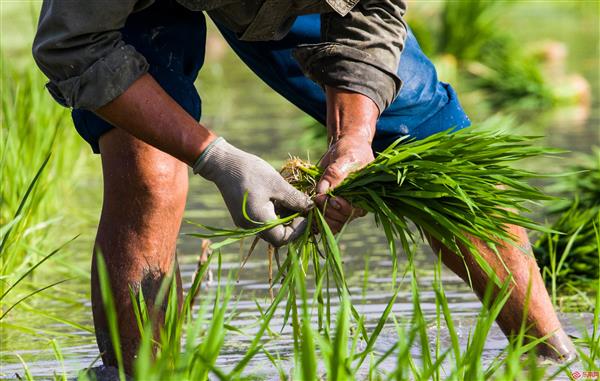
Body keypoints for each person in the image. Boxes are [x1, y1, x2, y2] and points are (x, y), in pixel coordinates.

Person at [32, 0, 575, 373]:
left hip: (297, 4)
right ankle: (137, 376)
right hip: (127, 9)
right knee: (149, 174)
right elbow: (73, 45)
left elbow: (371, 11)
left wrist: (355, 139)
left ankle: (554, 361)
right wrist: (217, 159)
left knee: (431, 146)